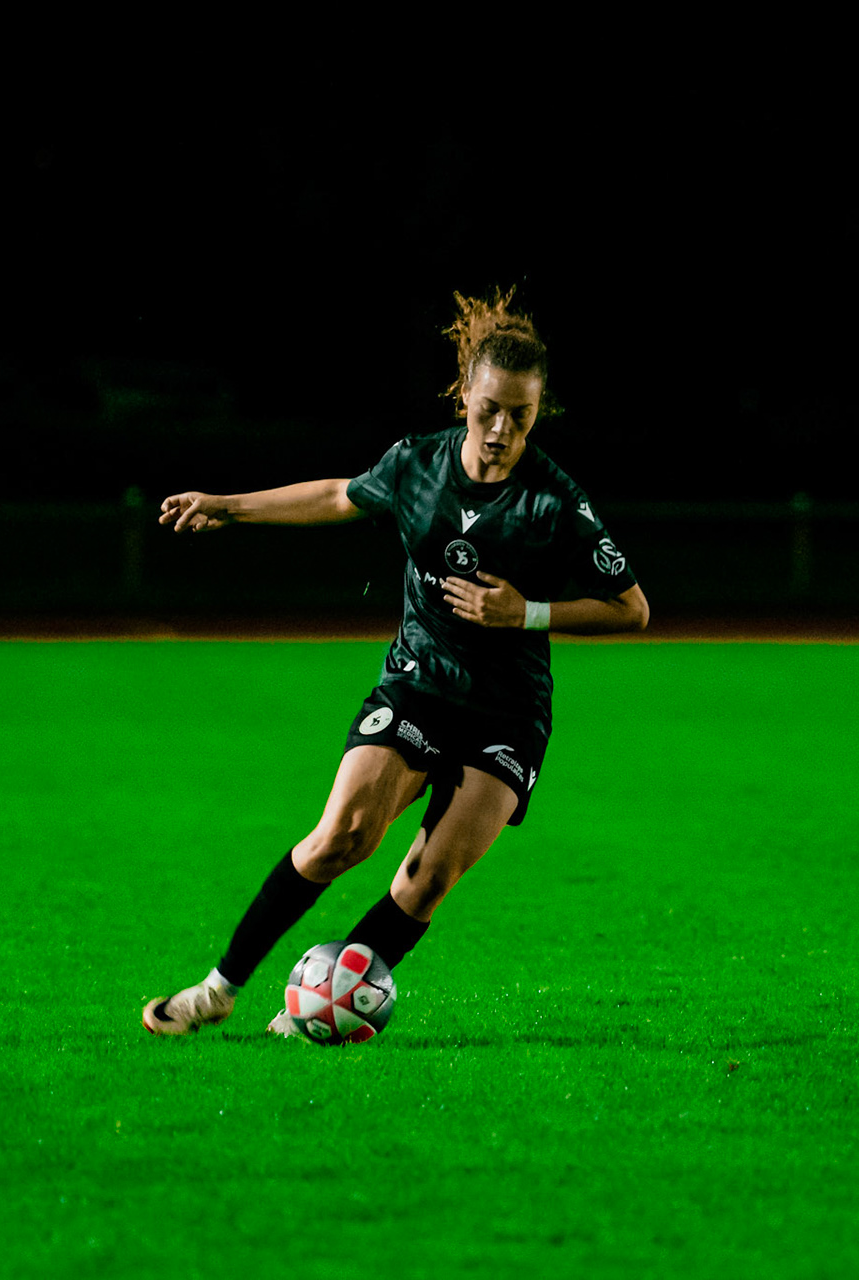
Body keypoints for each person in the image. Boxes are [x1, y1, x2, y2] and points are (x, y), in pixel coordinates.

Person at [142, 287, 650, 1038]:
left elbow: (632, 608)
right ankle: (218, 989)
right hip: (418, 687)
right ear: (464, 398)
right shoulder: (418, 465)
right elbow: (336, 496)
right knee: (343, 833)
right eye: (489, 410)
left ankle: (319, 1005)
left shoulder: (556, 505)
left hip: (509, 713)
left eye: (522, 414)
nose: (503, 428)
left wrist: (527, 613)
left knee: (427, 877)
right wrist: (229, 504)